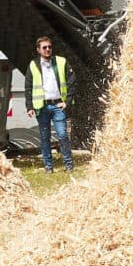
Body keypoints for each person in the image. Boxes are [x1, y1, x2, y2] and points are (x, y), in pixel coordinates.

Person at [29, 36, 75, 172]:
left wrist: (67, 101)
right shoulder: (33, 65)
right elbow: (28, 87)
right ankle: (49, 166)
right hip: (41, 107)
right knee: (45, 137)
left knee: (62, 135)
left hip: (58, 106)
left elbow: (72, 81)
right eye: (44, 47)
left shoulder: (61, 62)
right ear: (38, 50)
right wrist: (29, 106)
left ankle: (68, 164)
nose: (48, 49)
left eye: (49, 47)